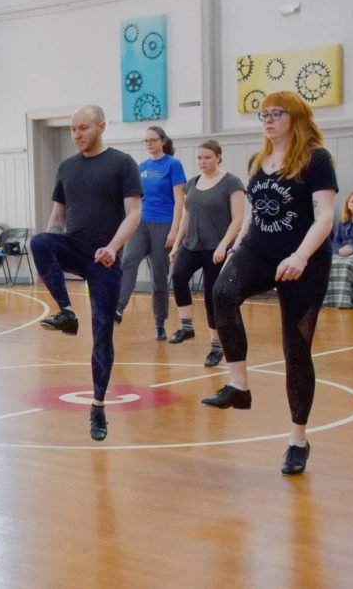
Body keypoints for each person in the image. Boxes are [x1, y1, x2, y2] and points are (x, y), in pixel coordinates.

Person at [203, 91, 337, 477]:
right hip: (258, 251)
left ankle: (298, 440)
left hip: (303, 259)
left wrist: (301, 256)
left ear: (295, 117)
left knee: (296, 350)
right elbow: (252, 214)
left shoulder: (316, 159)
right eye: (264, 113)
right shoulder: (258, 160)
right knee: (222, 293)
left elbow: (325, 216)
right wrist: (236, 246)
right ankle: (239, 386)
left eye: (276, 113)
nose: (268, 119)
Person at [28, 105, 142, 441]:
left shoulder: (122, 164)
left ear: (101, 127)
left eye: (83, 128)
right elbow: (58, 216)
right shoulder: (66, 167)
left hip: (105, 259)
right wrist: (44, 258)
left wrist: (113, 246)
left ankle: (98, 406)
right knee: (38, 241)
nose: (77, 135)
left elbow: (134, 214)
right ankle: (65, 312)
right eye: (73, 129)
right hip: (74, 248)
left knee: (103, 331)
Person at [167, 140, 245, 367]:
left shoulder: (232, 182)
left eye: (207, 157)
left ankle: (216, 346)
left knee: (212, 297)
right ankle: (187, 327)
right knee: (178, 276)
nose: (203, 162)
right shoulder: (191, 184)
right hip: (192, 244)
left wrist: (224, 245)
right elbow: (185, 217)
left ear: (218, 157)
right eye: (200, 158)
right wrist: (176, 245)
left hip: (215, 248)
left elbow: (238, 219)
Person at [116, 125, 186, 339]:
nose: (149, 144)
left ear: (162, 141)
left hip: (163, 225)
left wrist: (174, 231)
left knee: (159, 277)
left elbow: (179, 200)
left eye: (152, 140)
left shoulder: (173, 165)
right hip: (141, 223)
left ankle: (159, 323)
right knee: (128, 261)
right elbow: (135, 199)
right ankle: (118, 308)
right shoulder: (141, 167)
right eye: (145, 141)